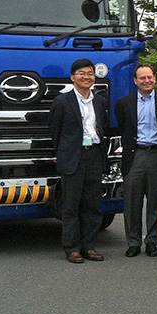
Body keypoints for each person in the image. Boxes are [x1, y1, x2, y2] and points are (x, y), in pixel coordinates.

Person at [50, 58, 108, 263]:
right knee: (71, 205)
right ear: (73, 77)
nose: (87, 77)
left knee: (92, 204)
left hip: (94, 154)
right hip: (73, 157)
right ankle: (72, 248)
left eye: (90, 73)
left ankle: (89, 246)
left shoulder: (100, 101)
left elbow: (103, 127)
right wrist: (64, 154)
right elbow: (55, 133)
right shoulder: (62, 101)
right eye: (82, 73)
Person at [115, 64, 157, 258]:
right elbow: (122, 128)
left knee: (156, 201)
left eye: (150, 77)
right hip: (135, 154)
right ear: (136, 81)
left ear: (155, 79)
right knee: (132, 202)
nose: (147, 81)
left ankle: (152, 242)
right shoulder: (124, 103)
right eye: (142, 78)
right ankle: (133, 242)